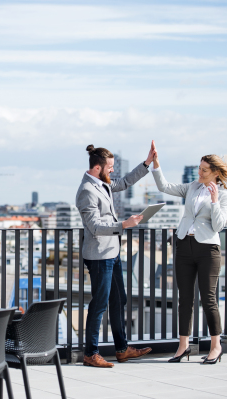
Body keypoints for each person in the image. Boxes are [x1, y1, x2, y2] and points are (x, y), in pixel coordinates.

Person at [150, 143, 227, 364]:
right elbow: (165, 187)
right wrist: (156, 165)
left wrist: (214, 201)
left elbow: (218, 226)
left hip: (208, 250)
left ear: (215, 172)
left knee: (209, 299)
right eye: (199, 168)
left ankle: (216, 347)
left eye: (204, 170)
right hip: (184, 245)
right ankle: (183, 347)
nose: (200, 172)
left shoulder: (225, 197)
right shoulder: (192, 187)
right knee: (184, 299)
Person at [76, 142, 156, 368]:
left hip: (112, 252)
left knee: (119, 299)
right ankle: (90, 353)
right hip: (99, 256)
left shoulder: (103, 184)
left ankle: (122, 349)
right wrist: (123, 225)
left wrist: (147, 163)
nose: (113, 170)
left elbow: (125, 181)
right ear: (97, 168)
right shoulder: (86, 191)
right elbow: (94, 226)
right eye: (110, 167)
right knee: (99, 304)